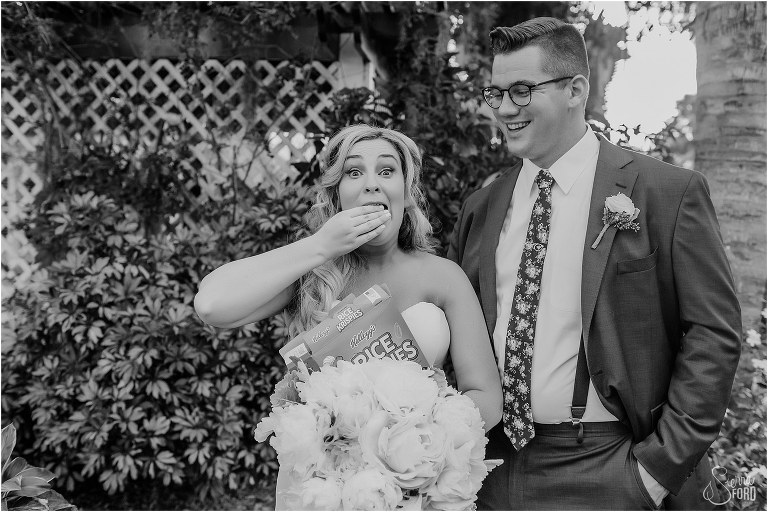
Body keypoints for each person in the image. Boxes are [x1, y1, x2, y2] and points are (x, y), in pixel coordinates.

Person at [447, 17, 742, 511]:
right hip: (491, 469)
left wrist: (655, 471)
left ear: (575, 90)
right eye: (494, 94)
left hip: (610, 466)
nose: (503, 109)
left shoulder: (666, 194)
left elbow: (714, 334)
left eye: (520, 91)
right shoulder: (482, 206)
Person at [194, 124, 503, 508]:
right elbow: (211, 304)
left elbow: (486, 396)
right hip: (321, 488)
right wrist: (320, 245)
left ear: (407, 193)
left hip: (414, 485)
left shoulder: (442, 276)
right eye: (354, 173)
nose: (372, 184)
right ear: (337, 195)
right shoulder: (311, 274)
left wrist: (414, 449)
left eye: (387, 171)